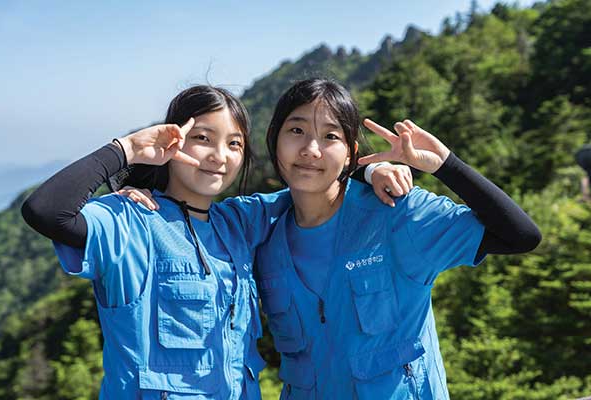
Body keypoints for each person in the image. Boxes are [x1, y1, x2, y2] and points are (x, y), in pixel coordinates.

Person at [21, 85, 412, 399]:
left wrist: (371, 169)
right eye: (203, 139)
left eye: (235, 144)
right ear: (171, 142)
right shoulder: (131, 221)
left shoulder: (239, 223)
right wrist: (127, 150)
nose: (218, 157)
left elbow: (313, 178)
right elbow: (45, 211)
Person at [253, 78, 542, 399]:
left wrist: (446, 165)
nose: (310, 149)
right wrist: (368, 171)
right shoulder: (262, 228)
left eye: (330, 136)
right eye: (296, 131)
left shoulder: (396, 214)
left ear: (351, 153)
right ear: (273, 138)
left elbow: (520, 236)